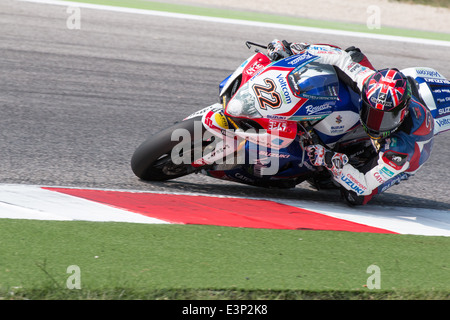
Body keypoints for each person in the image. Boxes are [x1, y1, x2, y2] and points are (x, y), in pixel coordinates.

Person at [267, 39, 434, 205]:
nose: (376, 123)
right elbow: (338, 57)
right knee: (352, 55)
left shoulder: (402, 150)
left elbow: (364, 186)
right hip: (382, 98)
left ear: (402, 113)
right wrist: (297, 50)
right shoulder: (369, 83)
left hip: (404, 155)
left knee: (354, 196)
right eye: (372, 113)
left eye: (385, 118)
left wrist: (328, 158)